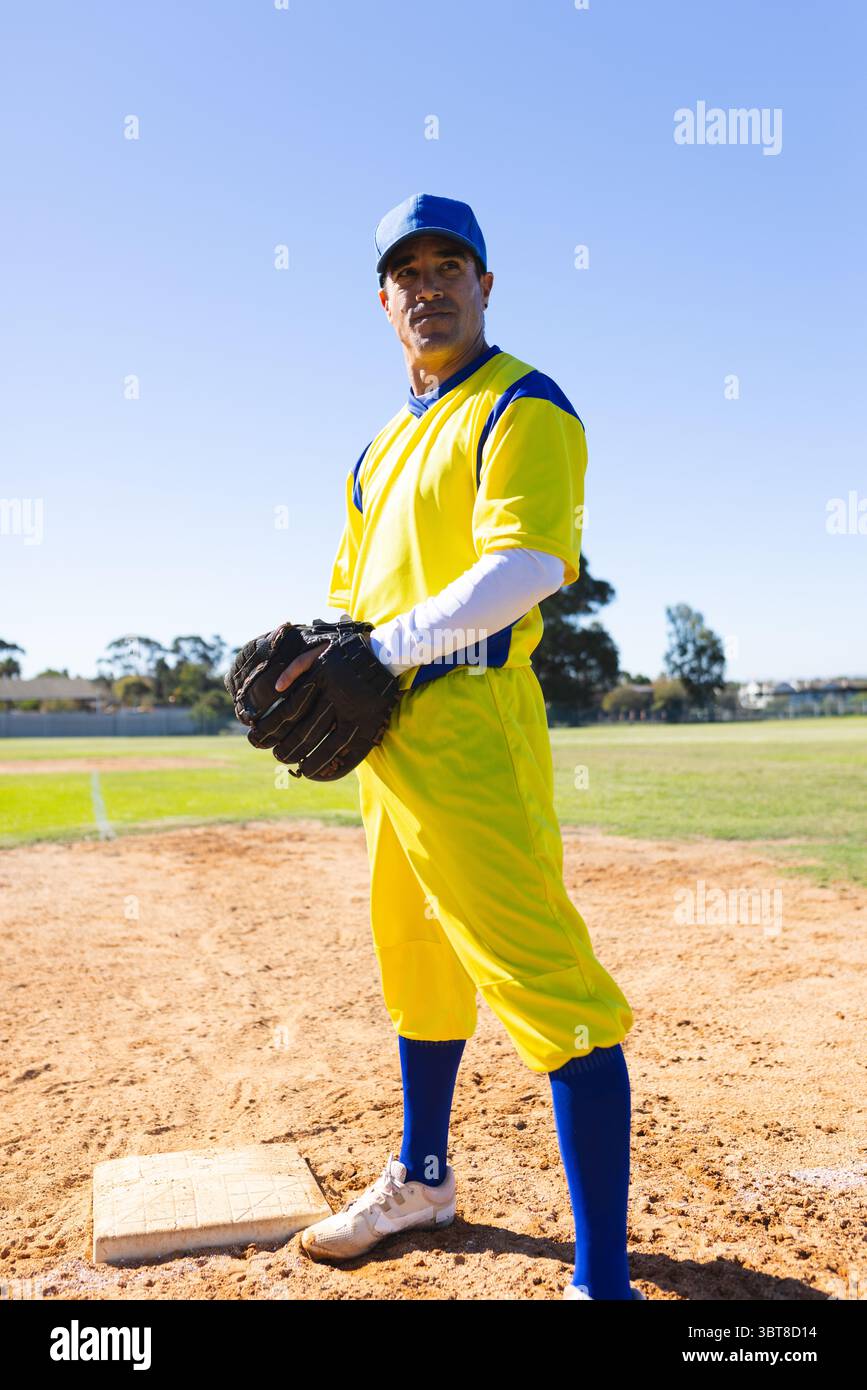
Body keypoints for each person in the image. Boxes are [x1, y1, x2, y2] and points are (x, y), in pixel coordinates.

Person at [279, 193, 640, 1300]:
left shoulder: (523, 405)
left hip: (474, 722)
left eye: (451, 266)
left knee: (547, 980)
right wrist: (316, 672)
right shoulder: (380, 444)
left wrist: (381, 652)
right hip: (388, 739)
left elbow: (527, 564)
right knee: (418, 968)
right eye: (408, 272)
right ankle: (423, 1177)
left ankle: (602, 1277)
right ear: (382, 300)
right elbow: (352, 607)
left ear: (487, 285)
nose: (428, 285)